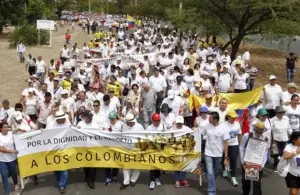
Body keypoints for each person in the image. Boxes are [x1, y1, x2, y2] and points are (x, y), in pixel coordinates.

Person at [202, 111, 229, 195]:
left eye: (210, 118)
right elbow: (201, 135)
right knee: (210, 173)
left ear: (216, 119)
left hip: (218, 155)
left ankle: (211, 184)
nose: (208, 119)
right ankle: (211, 191)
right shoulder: (206, 126)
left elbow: (226, 143)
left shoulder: (223, 129)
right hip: (208, 153)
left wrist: (226, 157)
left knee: (215, 172)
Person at [240, 122, 270, 195]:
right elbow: (241, 148)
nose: (260, 132)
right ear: (255, 129)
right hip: (247, 162)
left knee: (257, 183)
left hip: (258, 163)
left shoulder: (265, 139)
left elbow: (265, 152)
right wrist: (242, 162)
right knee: (246, 182)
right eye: (258, 130)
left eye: (261, 130)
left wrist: (262, 165)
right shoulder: (247, 135)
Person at [47, 110, 70, 194]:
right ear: (57, 119)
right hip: (54, 150)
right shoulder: (51, 126)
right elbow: (46, 136)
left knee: (64, 170)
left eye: (64, 118)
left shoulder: (67, 124)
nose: (63, 120)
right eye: (61, 118)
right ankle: (58, 180)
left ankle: (62, 185)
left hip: (64, 150)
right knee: (56, 169)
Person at [120, 113, 144, 190]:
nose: (128, 123)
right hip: (126, 148)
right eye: (127, 122)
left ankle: (133, 180)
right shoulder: (124, 126)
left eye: (129, 122)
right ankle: (126, 182)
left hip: (136, 149)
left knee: (136, 166)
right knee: (126, 166)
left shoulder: (139, 127)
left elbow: (143, 138)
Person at [77, 111, 99, 189]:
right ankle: (87, 176)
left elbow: (99, 135)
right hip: (83, 148)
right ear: (84, 117)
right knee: (85, 165)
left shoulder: (95, 125)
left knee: (93, 166)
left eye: (89, 117)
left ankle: (91, 181)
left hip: (93, 147)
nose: (88, 118)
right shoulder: (80, 124)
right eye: (86, 117)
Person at [221, 110, 242, 186]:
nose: (234, 119)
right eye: (232, 117)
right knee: (225, 158)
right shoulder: (223, 125)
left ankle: (233, 177)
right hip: (225, 144)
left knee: (233, 160)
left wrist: (239, 144)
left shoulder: (237, 124)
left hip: (234, 144)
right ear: (228, 117)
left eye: (235, 117)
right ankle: (224, 169)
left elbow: (239, 134)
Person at [0, 122, 20, 195]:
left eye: (7, 127)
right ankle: (7, 192)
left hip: (12, 159)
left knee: (13, 173)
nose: (6, 128)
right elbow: (1, 149)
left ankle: (16, 184)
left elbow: (20, 133)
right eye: (4, 127)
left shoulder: (11, 134)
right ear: (1, 129)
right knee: (3, 174)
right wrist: (12, 151)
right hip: (2, 160)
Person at [104, 111, 123, 185]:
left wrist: (120, 118)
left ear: (116, 118)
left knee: (116, 163)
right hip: (108, 147)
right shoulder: (106, 124)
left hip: (117, 147)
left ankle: (114, 176)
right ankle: (108, 177)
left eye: (113, 118)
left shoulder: (120, 124)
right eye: (111, 118)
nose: (112, 120)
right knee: (108, 163)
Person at [173, 115, 192, 188]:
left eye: (180, 123)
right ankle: (177, 179)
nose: (179, 124)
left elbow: (193, 134)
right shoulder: (172, 129)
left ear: (183, 122)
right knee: (177, 165)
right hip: (176, 150)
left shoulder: (187, 129)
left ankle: (183, 178)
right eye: (178, 123)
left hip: (185, 151)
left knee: (185, 165)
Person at [271, 106, 292, 170]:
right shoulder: (272, 120)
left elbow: (289, 128)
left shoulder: (286, 118)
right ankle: (276, 166)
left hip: (285, 138)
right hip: (276, 139)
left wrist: (292, 134)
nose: (281, 113)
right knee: (276, 153)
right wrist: (272, 140)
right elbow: (271, 130)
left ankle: (282, 166)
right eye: (280, 112)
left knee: (284, 153)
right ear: (276, 113)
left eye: (283, 112)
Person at [146, 113, 163, 190]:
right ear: (152, 121)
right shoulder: (149, 128)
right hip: (152, 149)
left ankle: (157, 178)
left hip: (160, 149)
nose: (157, 122)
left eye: (158, 120)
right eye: (155, 121)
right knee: (152, 165)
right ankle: (152, 180)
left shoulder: (163, 126)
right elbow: (146, 138)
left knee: (158, 165)